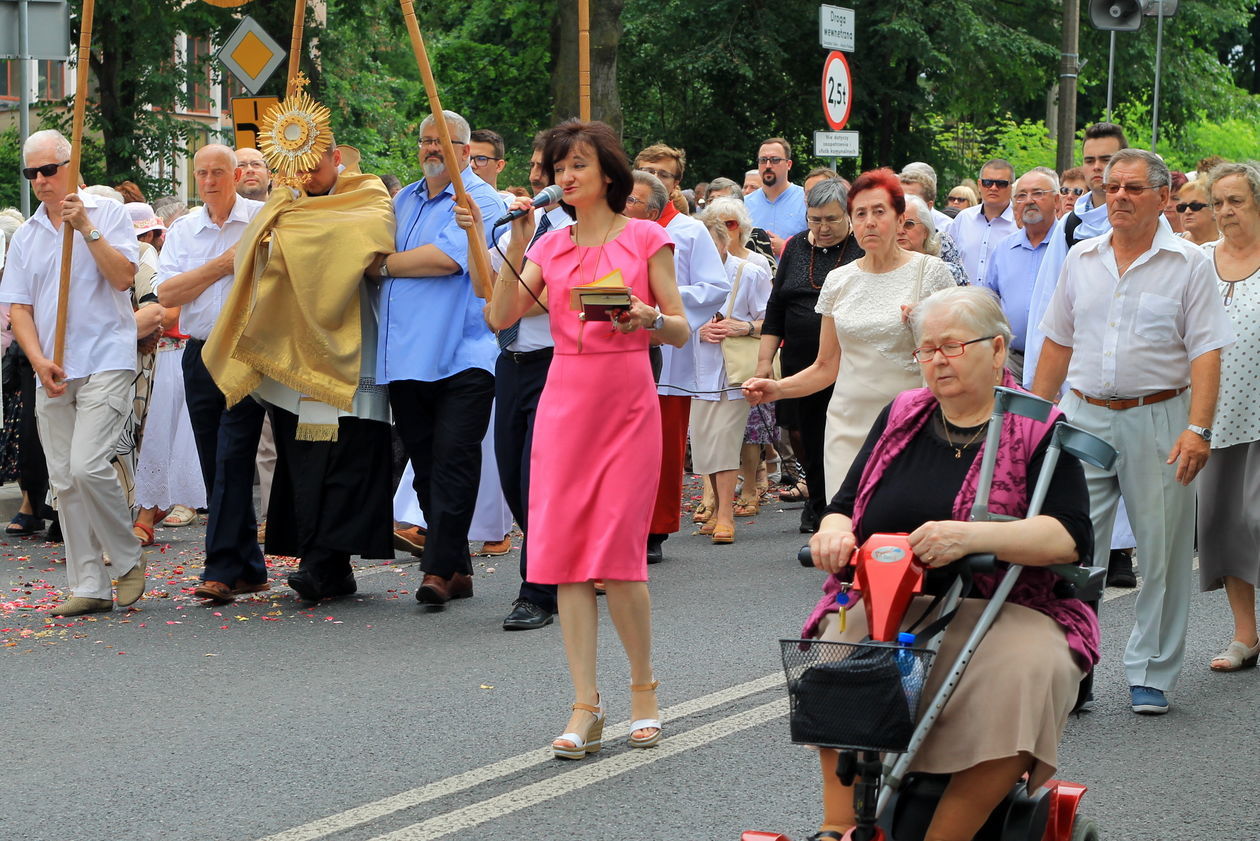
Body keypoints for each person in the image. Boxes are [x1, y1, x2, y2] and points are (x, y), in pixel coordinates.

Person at [802, 285, 1097, 841]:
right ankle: (837, 827)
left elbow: (1068, 538)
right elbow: (843, 507)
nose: (937, 360)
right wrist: (833, 532)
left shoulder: (1040, 426)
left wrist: (969, 535)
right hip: (896, 596)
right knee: (839, 655)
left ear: (996, 349)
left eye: (953, 346)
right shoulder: (901, 413)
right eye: (927, 348)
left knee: (1024, 675)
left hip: (1009, 602)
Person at [477, 119, 690, 759]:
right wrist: (518, 235)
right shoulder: (547, 244)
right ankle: (583, 705)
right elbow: (499, 317)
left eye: (576, 166)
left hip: (626, 402)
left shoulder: (647, 237)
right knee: (565, 556)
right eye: (556, 168)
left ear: (607, 174)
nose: (564, 178)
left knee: (619, 556)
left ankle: (644, 693)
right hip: (564, 405)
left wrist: (650, 317)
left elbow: (680, 329)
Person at [1033, 148, 1235, 714]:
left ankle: (1151, 672)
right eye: (1112, 187)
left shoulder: (1191, 263)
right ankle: (1075, 664)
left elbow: (1206, 351)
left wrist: (1199, 428)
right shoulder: (1081, 256)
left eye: (1133, 189)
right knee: (1072, 548)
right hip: (1084, 415)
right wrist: (1035, 418)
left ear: (1163, 198)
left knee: (1163, 548)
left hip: (1162, 417)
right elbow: (1057, 341)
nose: (1117, 197)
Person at [204, 120, 397, 603]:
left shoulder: (367, 193)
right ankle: (319, 563)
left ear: (336, 158)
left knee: (348, 459)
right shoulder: (283, 201)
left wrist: (300, 239)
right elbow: (252, 251)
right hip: (293, 351)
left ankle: (331, 563)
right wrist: (281, 222)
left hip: (351, 346)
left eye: (314, 167)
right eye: (298, 169)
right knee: (303, 460)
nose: (308, 177)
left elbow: (364, 243)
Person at [744, 168, 955, 505]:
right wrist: (777, 388)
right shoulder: (840, 280)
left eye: (879, 212)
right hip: (846, 423)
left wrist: (926, 323)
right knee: (848, 526)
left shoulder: (929, 272)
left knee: (900, 528)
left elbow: (960, 349)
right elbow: (826, 366)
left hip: (910, 421)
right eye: (860, 213)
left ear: (901, 220)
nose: (869, 221)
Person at [0, 129, 145, 616]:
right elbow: (18, 307)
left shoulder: (109, 214)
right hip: (54, 366)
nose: (40, 181)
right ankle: (88, 584)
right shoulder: (27, 235)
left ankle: (125, 559)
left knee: (87, 465)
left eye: (48, 170)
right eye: (31, 173)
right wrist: (38, 359)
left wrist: (87, 228)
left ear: (70, 165)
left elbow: (124, 277)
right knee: (64, 479)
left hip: (105, 356)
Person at [378, 109, 506, 607]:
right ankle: (458, 568)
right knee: (428, 466)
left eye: (443, 142)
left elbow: (446, 261)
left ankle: (435, 569)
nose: (433, 149)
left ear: (465, 151)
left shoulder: (480, 200)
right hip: (406, 355)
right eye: (426, 141)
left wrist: (380, 266)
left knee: (453, 459)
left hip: (464, 353)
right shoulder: (403, 199)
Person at [1023, 122, 1139, 586]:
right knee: (1084, 461)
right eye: (1090, 160)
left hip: (1132, 366)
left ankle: (1122, 553)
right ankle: (1088, 549)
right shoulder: (1071, 224)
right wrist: (1039, 385)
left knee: (1128, 462)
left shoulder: (1146, 218)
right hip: (1080, 367)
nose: (1096, 169)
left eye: (1105, 160)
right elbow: (1047, 305)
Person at [154, 144, 267, 604]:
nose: (209, 180)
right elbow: (167, 292)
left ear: (237, 174)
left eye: (218, 172)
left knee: (232, 458)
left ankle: (220, 567)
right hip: (199, 353)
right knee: (214, 463)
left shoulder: (261, 218)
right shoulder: (184, 229)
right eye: (201, 173)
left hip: (246, 352)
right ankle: (251, 566)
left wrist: (201, 277)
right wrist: (223, 265)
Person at [488, 131, 574, 631]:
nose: (540, 177)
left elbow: (544, 303)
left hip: (555, 363)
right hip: (512, 364)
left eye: (554, 169)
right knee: (511, 481)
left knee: (535, 480)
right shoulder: (515, 231)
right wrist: (520, 239)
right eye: (539, 166)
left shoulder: (573, 236)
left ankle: (536, 590)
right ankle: (561, 561)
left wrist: (519, 270)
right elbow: (498, 312)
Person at [631, 145, 729, 563]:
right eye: (646, 171)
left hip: (669, 353)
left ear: (675, 184)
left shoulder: (690, 231)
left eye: (664, 174)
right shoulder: (614, 228)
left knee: (664, 445)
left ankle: (656, 526)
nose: (655, 178)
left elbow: (714, 288)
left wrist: (659, 300)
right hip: (622, 350)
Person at [756, 178, 864, 532]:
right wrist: (763, 362)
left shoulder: (862, 248)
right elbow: (776, 306)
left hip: (847, 363)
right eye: (815, 220)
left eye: (831, 219)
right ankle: (816, 498)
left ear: (848, 216)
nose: (822, 228)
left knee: (838, 433)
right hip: (799, 360)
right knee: (803, 433)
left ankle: (837, 506)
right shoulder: (797, 247)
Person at [1196, 161, 1260, 671]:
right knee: (1223, 524)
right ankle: (1245, 635)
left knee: (1258, 519)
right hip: (1214, 417)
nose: (1224, 212)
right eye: (1218, 203)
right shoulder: (1199, 261)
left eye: (1235, 201)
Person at [687, 210, 772, 544]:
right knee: (705, 445)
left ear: (726, 241)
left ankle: (725, 518)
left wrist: (743, 326)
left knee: (724, 443)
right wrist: (697, 329)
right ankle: (718, 507)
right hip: (695, 374)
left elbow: (772, 323)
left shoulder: (748, 273)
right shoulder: (686, 276)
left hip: (734, 373)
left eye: (713, 244)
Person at [703, 196, 777, 518]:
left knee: (747, 434)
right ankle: (712, 499)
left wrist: (743, 327)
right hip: (704, 363)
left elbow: (772, 322)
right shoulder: (691, 269)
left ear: (741, 229)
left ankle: (747, 491)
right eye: (713, 225)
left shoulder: (753, 268)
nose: (722, 231)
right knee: (706, 433)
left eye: (729, 224)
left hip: (741, 363)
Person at [979, 167, 1059, 381]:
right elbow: (989, 300)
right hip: (1011, 360)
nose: (1029, 200)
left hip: (1057, 358)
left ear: (1057, 201)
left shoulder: (1070, 246)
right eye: (1022, 195)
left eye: (1038, 193)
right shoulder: (1004, 249)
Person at [951, 158, 1016, 283]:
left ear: (1011, 187)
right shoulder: (963, 219)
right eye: (988, 182)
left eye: (1001, 183)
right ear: (979, 184)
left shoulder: (1020, 224)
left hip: (1000, 301)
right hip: (963, 300)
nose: (993, 188)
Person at [746, 137, 807, 254]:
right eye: (763, 160)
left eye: (775, 160)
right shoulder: (744, 204)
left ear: (788, 164)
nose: (768, 165)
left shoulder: (806, 201)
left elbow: (818, 246)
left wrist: (787, 248)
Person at [899, 194, 967, 285]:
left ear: (926, 231)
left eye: (909, 224)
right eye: (895, 224)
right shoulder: (879, 269)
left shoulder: (944, 272)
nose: (900, 231)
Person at [1176, 177, 1219, 245]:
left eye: (1195, 206)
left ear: (1214, 209)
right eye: (1182, 207)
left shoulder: (1231, 245)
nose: (1187, 211)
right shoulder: (1173, 243)